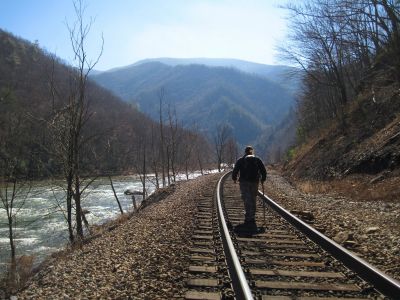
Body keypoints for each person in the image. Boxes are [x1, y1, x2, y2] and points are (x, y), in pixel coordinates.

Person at [232, 146, 267, 232]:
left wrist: (234, 178)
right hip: (255, 182)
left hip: (244, 182)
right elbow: (263, 170)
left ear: (245, 152)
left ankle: (248, 217)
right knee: (253, 198)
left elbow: (235, 170)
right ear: (252, 152)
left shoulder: (241, 160)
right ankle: (252, 216)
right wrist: (263, 179)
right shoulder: (257, 159)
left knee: (246, 198)